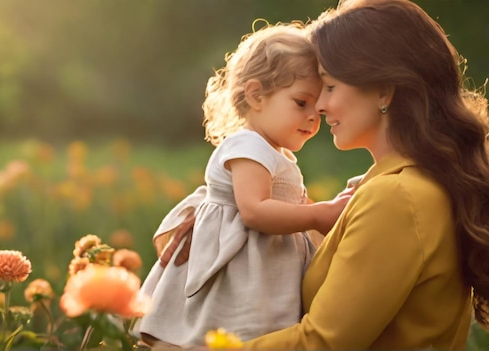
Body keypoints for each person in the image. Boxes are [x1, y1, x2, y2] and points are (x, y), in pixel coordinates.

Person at [157, 0, 489, 350]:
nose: (320, 106)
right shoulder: (395, 185)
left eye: (331, 86)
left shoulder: (398, 197)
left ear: (384, 91)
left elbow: (322, 342)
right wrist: (219, 219)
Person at [132, 21, 352, 347]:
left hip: (263, 267)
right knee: (233, 332)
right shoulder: (248, 147)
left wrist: (335, 215)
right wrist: (321, 214)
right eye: (301, 103)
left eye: (317, 109)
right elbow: (255, 210)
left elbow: (290, 204)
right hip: (241, 268)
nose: (313, 117)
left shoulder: (272, 151)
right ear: (256, 95)